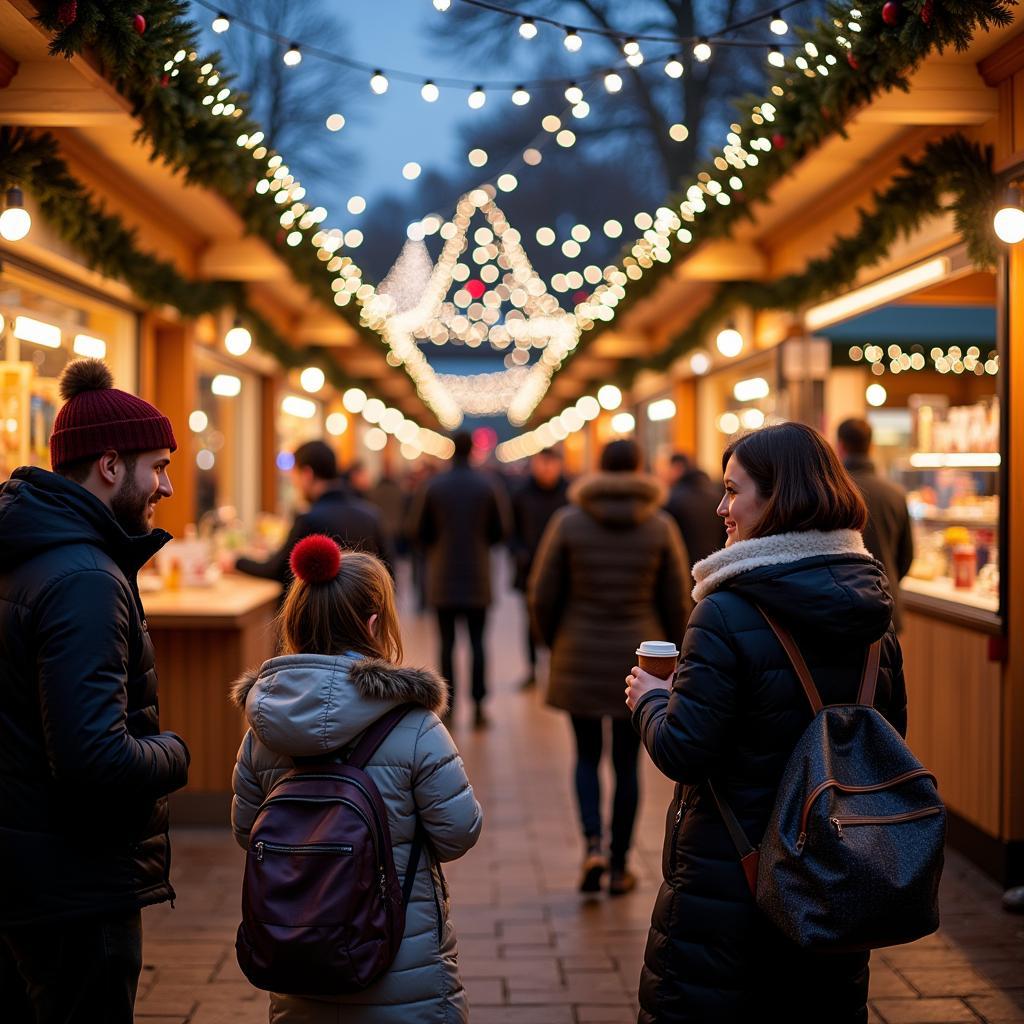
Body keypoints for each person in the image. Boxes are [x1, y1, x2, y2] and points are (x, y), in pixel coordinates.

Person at [626, 422, 907, 1023]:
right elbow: (890, 741)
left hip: (732, 877)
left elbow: (684, 751)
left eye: (734, 491)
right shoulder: (874, 613)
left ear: (779, 497)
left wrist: (651, 698)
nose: (722, 508)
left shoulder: (724, 611)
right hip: (836, 878)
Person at [0, 359, 191, 1023]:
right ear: (111, 466)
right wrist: (176, 754)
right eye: (158, 466)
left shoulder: (33, 551)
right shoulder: (84, 577)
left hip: (30, 866)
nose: (166, 485)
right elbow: (92, 757)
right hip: (77, 880)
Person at [231, 535, 482, 1024]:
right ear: (373, 623)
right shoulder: (413, 724)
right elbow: (458, 831)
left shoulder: (262, 729)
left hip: (297, 965)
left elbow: (247, 831)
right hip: (400, 967)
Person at [529, 439, 689, 896]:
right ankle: (620, 865)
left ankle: (593, 846)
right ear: (641, 469)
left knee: (584, 756)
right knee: (626, 763)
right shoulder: (660, 525)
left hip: (578, 653)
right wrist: (673, 659)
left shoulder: (568, 522)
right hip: (640, 664)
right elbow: (678, 599)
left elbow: (542, 593)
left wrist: (553, 640)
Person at [411, 432, 510, 727]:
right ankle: (479, 705)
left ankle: (449, 706)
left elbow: (417, 530)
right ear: (474, 452)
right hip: (478, 577)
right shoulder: (488, 485)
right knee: (479, 642)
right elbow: (501, 530)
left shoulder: (433, 486)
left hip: (442, 577)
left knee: (446, 643)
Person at [234, 440, 393, 586]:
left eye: (295, 477)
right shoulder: (371, 514)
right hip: (365, 611)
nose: (296, 485)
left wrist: (236, 562)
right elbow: (388, 570)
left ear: (307, 474)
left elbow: (277, 569)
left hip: (322, 615)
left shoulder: (309, 520)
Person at [836, 418, 914, 630]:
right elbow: (906, 556)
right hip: (886, 604)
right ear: (871, 446)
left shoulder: (833, 493)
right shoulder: (895, 493)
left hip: (843, 606)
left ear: (840, 446)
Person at [510, 448, 570, 689]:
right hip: (530, 569)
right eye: (542, 463)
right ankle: (532, 668)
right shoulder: (522, 494)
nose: (546, 469)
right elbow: (511, 531)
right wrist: (518, 552)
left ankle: (558, 665)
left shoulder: (569, 493)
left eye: (551, 464)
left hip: (564, 571)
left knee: (563, 619)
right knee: (531, 621)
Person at [662, 451, 727, 571]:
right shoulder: (718, 497)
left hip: (686, 568)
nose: (665, 474)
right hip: (715, 567)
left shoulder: (674, 499)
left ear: (677, 468)